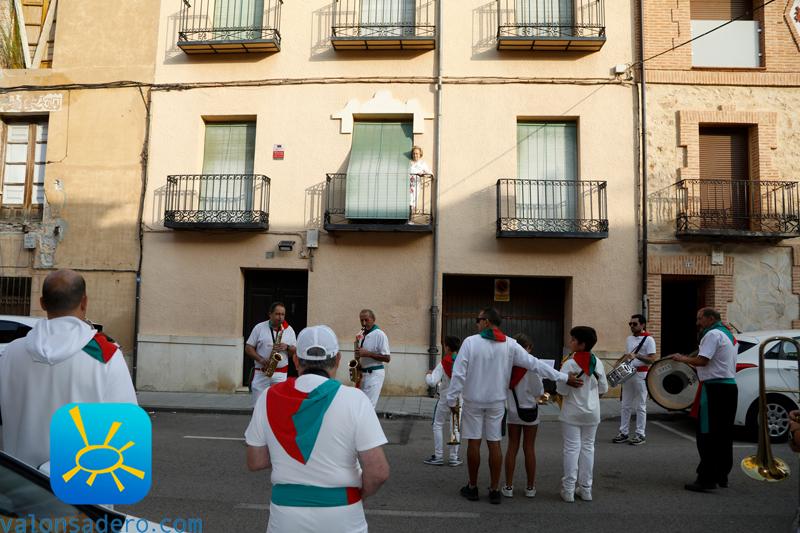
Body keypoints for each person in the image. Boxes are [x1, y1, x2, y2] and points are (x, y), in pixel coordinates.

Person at [245, 325, 390, 533]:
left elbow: (255, 461)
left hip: (286, 514)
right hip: (341, 512)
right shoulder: (355, 399)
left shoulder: (268, 397)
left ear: (295, 361)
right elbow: (378, 472)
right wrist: (358, 495)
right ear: (338, 359)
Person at [0, 269, 137, 468]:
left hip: (25, 487)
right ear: (84, 302)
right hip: (84, 485)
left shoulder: (10, 353)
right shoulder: (106, 356)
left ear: (42, 303)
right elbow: (127, 427)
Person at [445, 307, 583, 504]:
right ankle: (494, 490)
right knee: (494, 443)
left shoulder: (470, 342)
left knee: (473, 442)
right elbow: (535, 364)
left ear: (486, 321)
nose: (476, 323)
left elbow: (458, 375)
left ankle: (473, 486)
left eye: (478, 320)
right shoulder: (510, 344)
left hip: (474, 400)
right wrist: (562, 377)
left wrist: (452, 400)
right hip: (496, 402)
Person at [672, 307, 738, 492]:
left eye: (700, 318)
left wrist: (682, 359)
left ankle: (706, 479)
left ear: (710, 318)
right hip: (729, 388)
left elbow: (703, 360)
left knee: (707, 435)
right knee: (724, 435)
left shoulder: (712, 334)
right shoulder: (729, 335)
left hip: (715, 389)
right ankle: (722, 475)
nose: (697, 323)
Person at [557, 326, 609, 503]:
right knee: (588, 448)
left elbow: (561, 390)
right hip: (592, 412)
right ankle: (586, 489)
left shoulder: (569, 363)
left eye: (573, 339)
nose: (570, 342)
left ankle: (569, 490)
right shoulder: (599, 362)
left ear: (581, 344)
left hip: (572, 412)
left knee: (572, 449)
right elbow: (604, 388)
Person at [502, 333, 546, 499]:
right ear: (526, 348)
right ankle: (530, 487)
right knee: (529, 449)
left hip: (513, 410)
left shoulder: (508, 365)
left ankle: (508, 486)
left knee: (512, 448)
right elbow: (538, 391)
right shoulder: (531, 366)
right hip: (530, 411)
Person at [612, 314, 657, 445]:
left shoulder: (649, 340)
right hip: (627, 373)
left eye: (634, 324)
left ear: (642, 325)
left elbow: (652, 359)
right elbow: (627, 354)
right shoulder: (629, 339)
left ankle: (640, 434)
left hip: (641, 375)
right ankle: (623, 432)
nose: (631, 326)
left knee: (640, 406)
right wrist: (619, 361)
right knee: (625, 405)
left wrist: (637, 355)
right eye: (630, 324)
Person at [245, 302, 297, 405]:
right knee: (259, 406)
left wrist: (287, 347)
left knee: (278, 406)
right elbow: (248, 347)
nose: (280, 317)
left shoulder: (288, 330)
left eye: (282, 314)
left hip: (280, 374)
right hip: (262, 372)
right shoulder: (259, 328)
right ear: (270, 314)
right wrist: (261, 359)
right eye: (277, 314)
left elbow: (294, 351)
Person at [423, 336, 463, 467]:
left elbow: (432, 381)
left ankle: (439, 456)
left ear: (447, 347)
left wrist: (428, 374)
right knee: (455, 427)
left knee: (438, 425)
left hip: (445, 397)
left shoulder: (443, 363)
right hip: (458, 398)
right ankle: (453, 457)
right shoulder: (462, 362)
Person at [354, 309, 390, 408]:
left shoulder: (380, 334)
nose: (364, 323)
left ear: (373, 319)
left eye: (366, 320)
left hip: (374, 375)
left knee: (368, 407)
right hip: (363, 374)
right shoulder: (361, 335)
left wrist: (368, 354)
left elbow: (387, 358)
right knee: (360, 406)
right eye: (361, 320)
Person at [408, 146, 432, 216]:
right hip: (407, 184)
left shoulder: (422, 164)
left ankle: (410, 218)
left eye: (417, 154)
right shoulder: (409, 163)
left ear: (420, 154)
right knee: (407, 200)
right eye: (414, 153)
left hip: (415, 185)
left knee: (412, 200)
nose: (415, 155)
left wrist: (422, 174)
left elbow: (430, 173)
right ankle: (407, 218)